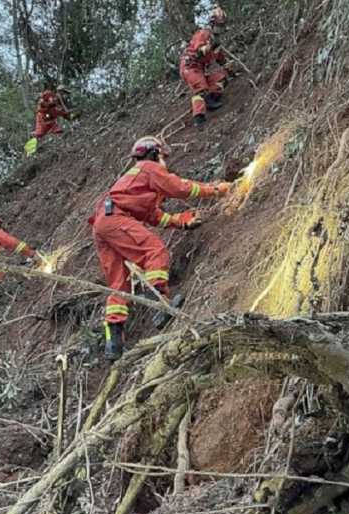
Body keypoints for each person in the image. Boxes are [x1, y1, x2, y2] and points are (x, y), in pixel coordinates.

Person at [90, 136, 233, 359]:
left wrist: (181, 221)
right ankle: (161, 303)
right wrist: (215, 189)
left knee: (119, 285)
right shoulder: (149, 168)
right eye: (163, 157)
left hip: (103, 223)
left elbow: (153, 216)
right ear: (155, 154)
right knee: (155, 251)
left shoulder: (134, 182)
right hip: (115, 218)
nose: (165, 162)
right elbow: (181, 188)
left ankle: (114, 344)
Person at [181, 6, 231, 127]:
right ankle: (199, 117)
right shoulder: (203, 34)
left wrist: (230, 70)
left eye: (222, 26)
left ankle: (212, 97)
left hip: (200, 69)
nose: (221, 28)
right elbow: (199, 51)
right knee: (200, 88)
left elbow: (221, 59)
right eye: (219, 25)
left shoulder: (215, 40)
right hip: (190, 67)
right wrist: (209, 46)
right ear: (212, 24)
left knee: (221, 77)